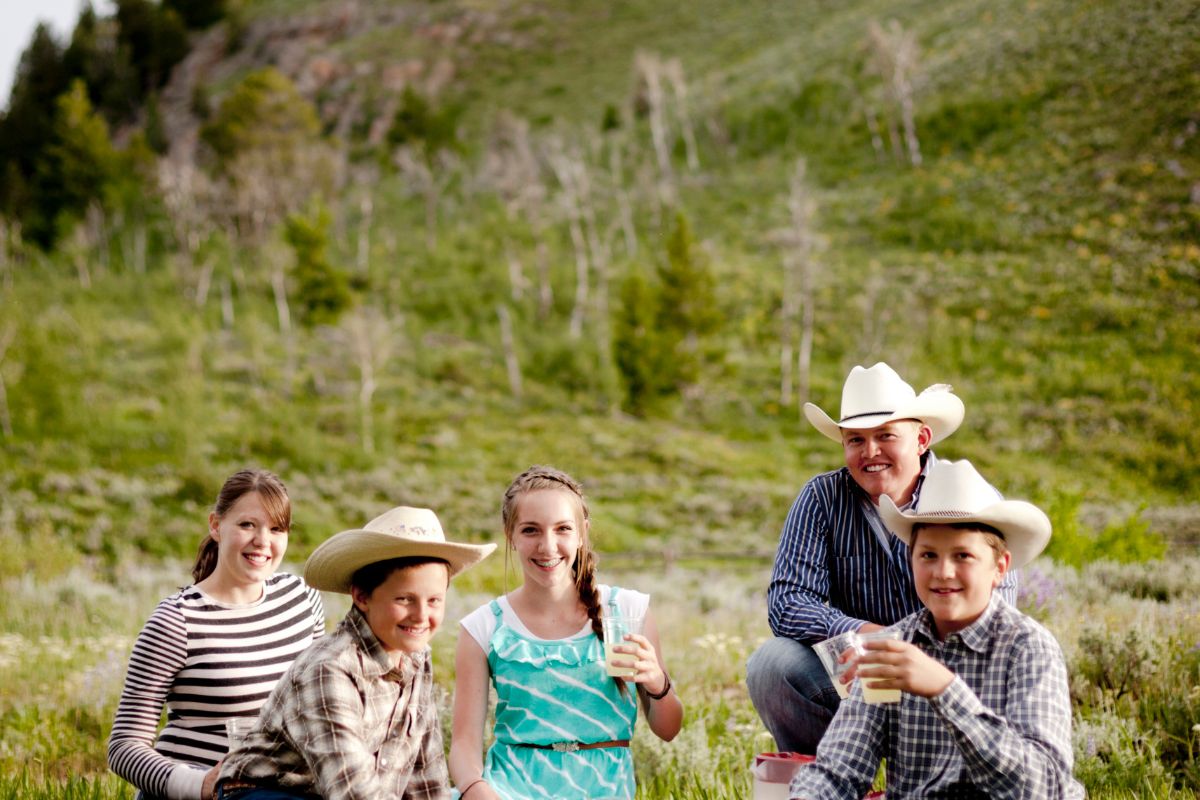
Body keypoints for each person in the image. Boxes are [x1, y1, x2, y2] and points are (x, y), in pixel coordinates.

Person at [746, 362, 1020, 754]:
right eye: (855, 440)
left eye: (885, 435)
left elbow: (996, 621)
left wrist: (911, 652)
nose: (870, 452)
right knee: (773, 666)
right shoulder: (822, 498)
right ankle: (828, 786)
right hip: (861, 672)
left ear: (922, 437)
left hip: (952, 677)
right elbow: (787, 605)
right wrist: (864, 633)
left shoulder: (968, 498)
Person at [789, 459, 1084, 799]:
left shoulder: (1028, 648)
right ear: (910, 559)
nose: (943, 572)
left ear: (999, 567)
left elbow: (1043, 788)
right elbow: (839, 770)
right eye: (928, 556)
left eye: (963, 556)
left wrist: (945, 689)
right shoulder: (892, 647)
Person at [215, 505, 496, 800]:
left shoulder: (417, 658)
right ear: (361, 596)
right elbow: (352, 791)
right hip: (265, 791)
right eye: (404, 599)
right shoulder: (329, 668)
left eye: (435, 600)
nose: (421, 615)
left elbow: (425, 774)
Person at [449, 466, 683, 800]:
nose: (548, 546)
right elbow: (463, 744)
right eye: (531, 530)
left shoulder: (628, 612)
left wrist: (657, 684)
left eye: (562, 529)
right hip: (508, 789)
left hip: (603, 790)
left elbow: (669, 729)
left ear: (582, 533)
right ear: (509, 534)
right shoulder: (483, 627)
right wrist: (477, 790)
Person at [108, 468, 326, 800]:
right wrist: (201, 785)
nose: (262, 541)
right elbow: (123, 746)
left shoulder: (302, 599)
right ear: (215, 526)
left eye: (277, 528)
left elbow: (318, 705)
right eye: (247, 525)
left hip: (277, 788)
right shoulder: (176, 621)